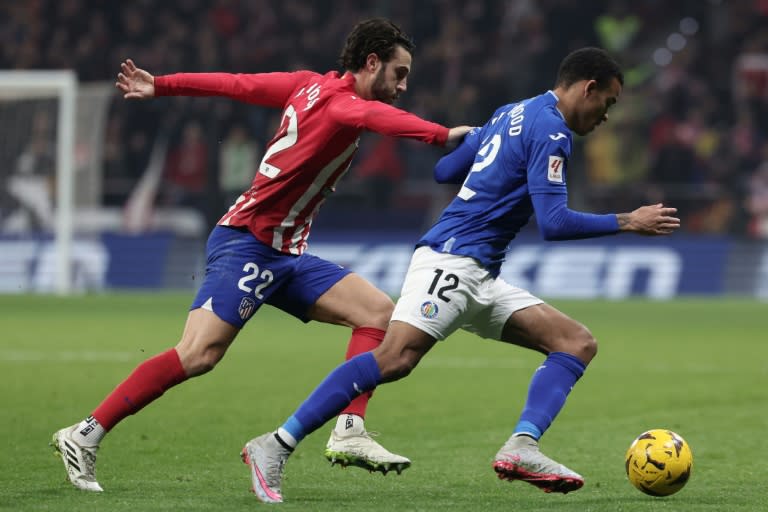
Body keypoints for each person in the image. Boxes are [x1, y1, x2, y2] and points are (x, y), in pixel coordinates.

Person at [242, 47, 681, 503]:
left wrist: (489, 143)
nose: (605, 116)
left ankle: (522, 446)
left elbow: (444, 170)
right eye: (607, 103)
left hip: (480, 272)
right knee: (394, 359)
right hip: (452, 261)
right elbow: (554, 223)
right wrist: (628, 221)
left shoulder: (511, 111)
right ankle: (274, 444)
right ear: (588, 88)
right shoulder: (553, 131)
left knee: (575, 342)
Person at [52, 18, 471, 492]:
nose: (403, 85)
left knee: (377, 313)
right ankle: (85, 434)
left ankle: (350, 429)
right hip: (246, 242)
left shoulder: (307, 85)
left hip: (286, 253)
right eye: (399, 72)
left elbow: (236, 84)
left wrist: (163, 85)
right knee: (198, 354)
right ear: (371, 63)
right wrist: (445, 135)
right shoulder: (344, 105)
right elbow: (383, 121)